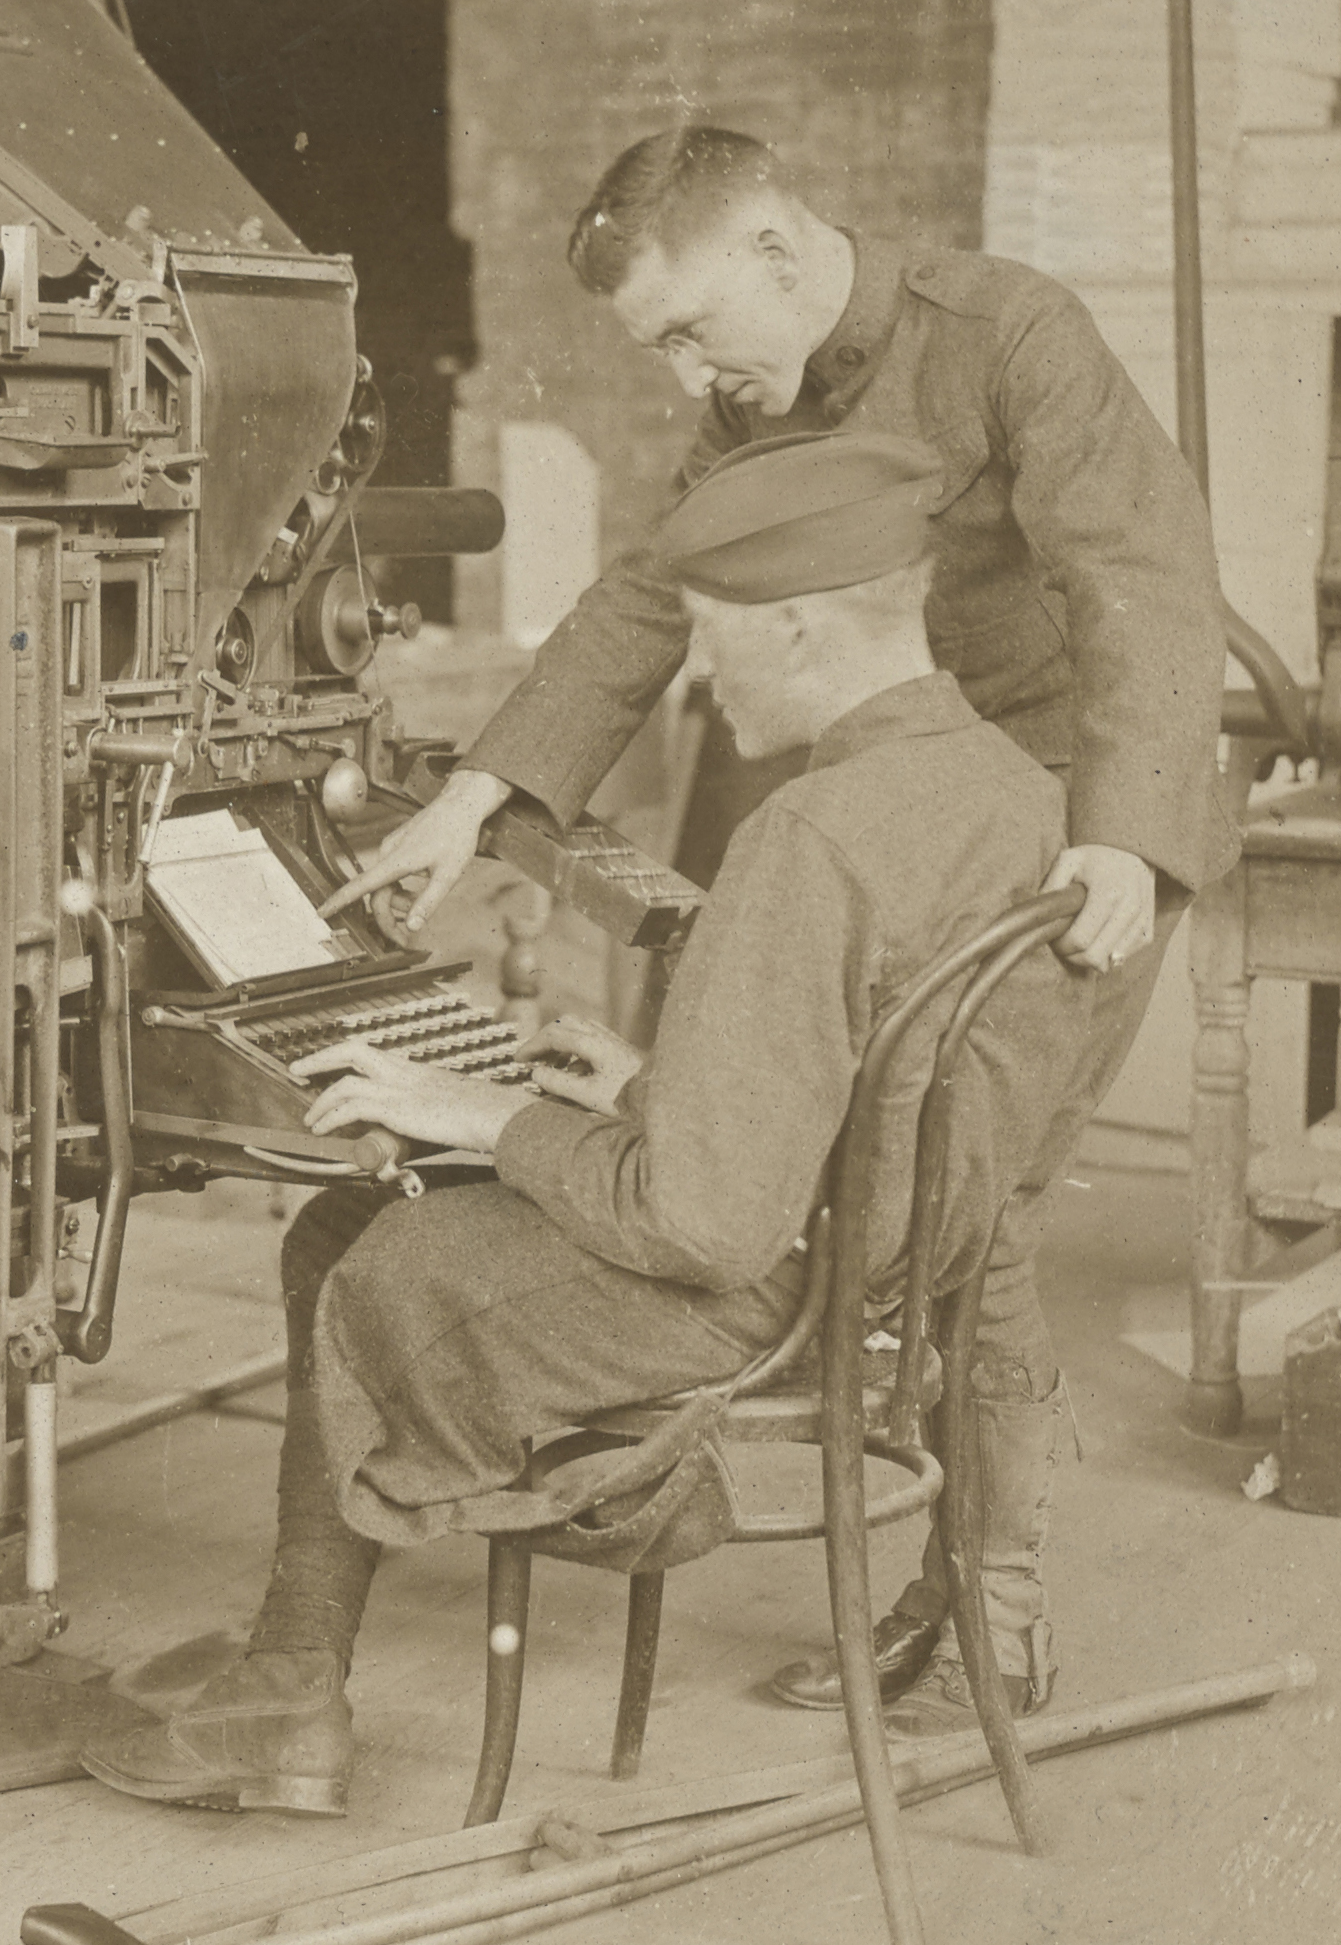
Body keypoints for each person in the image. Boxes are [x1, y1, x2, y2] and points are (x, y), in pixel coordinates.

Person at [324, 123, 1238, 1719]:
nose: (686, 374)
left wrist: (1128, 845)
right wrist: (479, 797)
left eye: (688, 327)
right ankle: (977, 1606)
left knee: (979, 1211)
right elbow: (650, 595)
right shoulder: (756, 408)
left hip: (1055, 818)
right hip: (906, 789)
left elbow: (1142, 580)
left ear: (777, 247)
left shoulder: (1005, 331)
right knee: (927, 1201)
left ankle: (983, 1602)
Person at [74, 431, 1098, 1817]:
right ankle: (291, 1670)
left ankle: (296, 1690)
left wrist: (484, 1109)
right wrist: (633, 1082)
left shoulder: (811, 837)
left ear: (796, 623)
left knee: (361, 1244)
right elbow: (881, 1089)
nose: (696, 667)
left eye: (713, 633)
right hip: (891, 1267)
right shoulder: (1011, 788)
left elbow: (703, 1219)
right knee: (364, 1225)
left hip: (761, 1296)